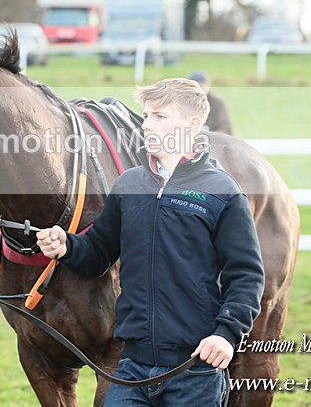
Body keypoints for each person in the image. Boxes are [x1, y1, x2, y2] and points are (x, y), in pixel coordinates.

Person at [37, 78, 264, 406]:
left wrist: (226, 334)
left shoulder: (223, 193)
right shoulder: (129, 185)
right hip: (130, 369)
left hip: (195, 369)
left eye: (160, 116)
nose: (147, 124)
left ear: (192, 124)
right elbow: (98, 252)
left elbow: (246, 276)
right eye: (146, 116)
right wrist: (67, 246)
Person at [189, 70, 233, 135]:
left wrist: (209, 136)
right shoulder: (183, 102)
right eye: (194, 87)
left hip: (213, 140)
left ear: (208, 85)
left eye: (201, 86)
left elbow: (226, 129)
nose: (199, 90)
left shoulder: (217, 103)